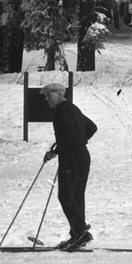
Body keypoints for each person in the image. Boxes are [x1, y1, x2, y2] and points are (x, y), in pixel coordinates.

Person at [39, 80, 98, 250]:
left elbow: (69, 135)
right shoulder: (73, 108)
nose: (46, 99)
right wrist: (79, 141)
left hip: (71, 156)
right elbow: (92, 127)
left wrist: (54, 152)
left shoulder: (62, 110)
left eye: (48, 95)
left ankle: (80, 232)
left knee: (66, 196)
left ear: (59, 94)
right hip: (81, 155)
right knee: (76, 196)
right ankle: (78, 234)